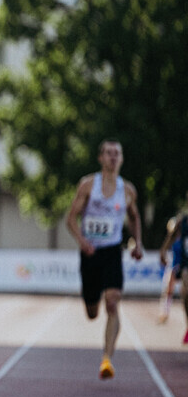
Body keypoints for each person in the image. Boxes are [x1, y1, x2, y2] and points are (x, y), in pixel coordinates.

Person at [66, 139, 144, 380]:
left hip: (112, 250)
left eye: (117, 153)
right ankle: (91, 302)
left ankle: (107, 359)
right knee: (92, 311)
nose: (113, 157)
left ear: (121, 159)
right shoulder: (88, 185)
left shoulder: (128, 190)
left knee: (112, 302)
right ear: (100, 158)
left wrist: (138, 242)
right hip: (90, 252)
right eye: (108, 153)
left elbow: (134, 217)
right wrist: (82, 241)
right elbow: (70, 219)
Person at [157, 198, 188, 340]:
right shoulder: (182, 222)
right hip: (178, 261)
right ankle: (165, 312)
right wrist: (163, 251)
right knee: (170, 288)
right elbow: (169, 238)